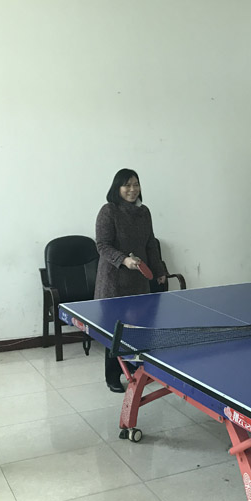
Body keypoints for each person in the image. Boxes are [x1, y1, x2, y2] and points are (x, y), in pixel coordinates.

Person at [95, 168, 166, 392]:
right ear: (117, 188)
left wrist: (159, 269)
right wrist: (124, 260)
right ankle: (113, 376)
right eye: (127, 185)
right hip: (113, 282)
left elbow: (150, 244)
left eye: (136, 184)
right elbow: (102, 245)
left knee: (136, 328)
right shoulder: (109, 211)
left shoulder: (144, 212)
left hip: (138, 281)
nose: (132, 189)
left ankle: (136, 370)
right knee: (114, 331)